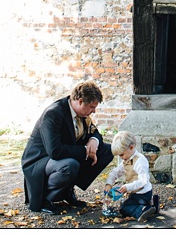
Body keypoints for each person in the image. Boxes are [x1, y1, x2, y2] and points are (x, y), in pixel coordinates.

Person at [21, 82, 114, 215]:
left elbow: (95, 132)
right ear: (80, 101)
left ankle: (67, 189)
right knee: (70, 165)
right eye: (92, 107)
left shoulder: (81, 114)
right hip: (40, 160)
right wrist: (86, 151)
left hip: (62, 156)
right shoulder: (53, 113)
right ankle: (45, 199)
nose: (93, 111)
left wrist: (93, 141)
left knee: (107, 151)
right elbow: (55, 151)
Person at [100, 130, 160, 222]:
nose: (121, 158)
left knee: (123, 209)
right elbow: (116, 172)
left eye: (122, 155)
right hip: (135, 192)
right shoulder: (126, 160)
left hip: (143, 193)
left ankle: (143, 210)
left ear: (131, 147)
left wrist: (128, 187)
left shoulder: (140, 161)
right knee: (125, 203)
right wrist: (109, 183)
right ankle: (152, 204)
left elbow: (143, 181)